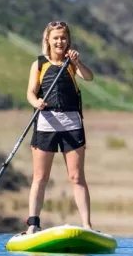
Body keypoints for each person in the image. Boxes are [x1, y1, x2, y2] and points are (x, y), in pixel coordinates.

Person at [24, 20, 95, 234]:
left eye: (63, 37)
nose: (60, 41)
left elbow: (89, 77)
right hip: (45, 123)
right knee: (40, 177)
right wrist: (36, 102)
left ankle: (87, 225)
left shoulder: (72, 63)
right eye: (55, 37)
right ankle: (33, 224)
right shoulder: (39, 64)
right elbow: (30, 92)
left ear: (68, 40)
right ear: (48, 39)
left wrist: (78, 62)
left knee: (76, 177)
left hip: (71, 124)